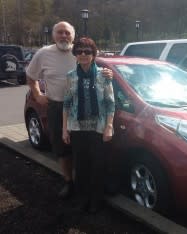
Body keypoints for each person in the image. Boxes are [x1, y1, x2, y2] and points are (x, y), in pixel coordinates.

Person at [26, 21, 113, 200]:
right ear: (53, 35)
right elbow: (30, 76)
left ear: (73, 36)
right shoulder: (43, 53)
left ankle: (88, 185)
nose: (64, 36)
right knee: (62, 148)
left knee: (85, 151)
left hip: (86, 110)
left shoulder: (81, 50)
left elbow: (101, 68)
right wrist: (38, 94)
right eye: (60, 32)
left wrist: (109, 74)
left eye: (67, 33)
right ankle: (69, 182)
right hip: (58, 107)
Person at [62, 37, 115, 214]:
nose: (83, 54)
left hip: (98, 128)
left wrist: (109, 126)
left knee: (98, 165)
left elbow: (110, 103)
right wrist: (64, 128)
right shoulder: (71, 76)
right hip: (77, 128)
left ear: (94, 54)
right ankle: (82, 198)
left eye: (87, 51)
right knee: (81, 165)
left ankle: (96, 200)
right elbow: (67, 104)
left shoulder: (104, 75)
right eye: (80, 51)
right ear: (75, 54)